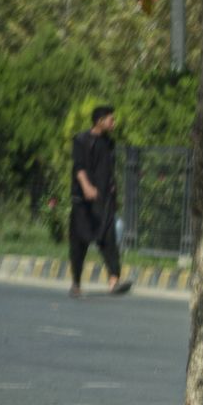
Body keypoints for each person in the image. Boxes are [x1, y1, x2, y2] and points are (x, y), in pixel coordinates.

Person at [69, 105, 130, 298]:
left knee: (109, 239)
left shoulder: (109, 143)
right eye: (111, 119)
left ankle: (114, 280)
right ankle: (76, 283)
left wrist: (112, 189)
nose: (114, 122)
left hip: (104, 201)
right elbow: (79, 167)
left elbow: (108, 170)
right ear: (100, 121)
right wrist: (86, 186)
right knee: (79, 242)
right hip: (83, 201)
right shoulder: (81, 140)